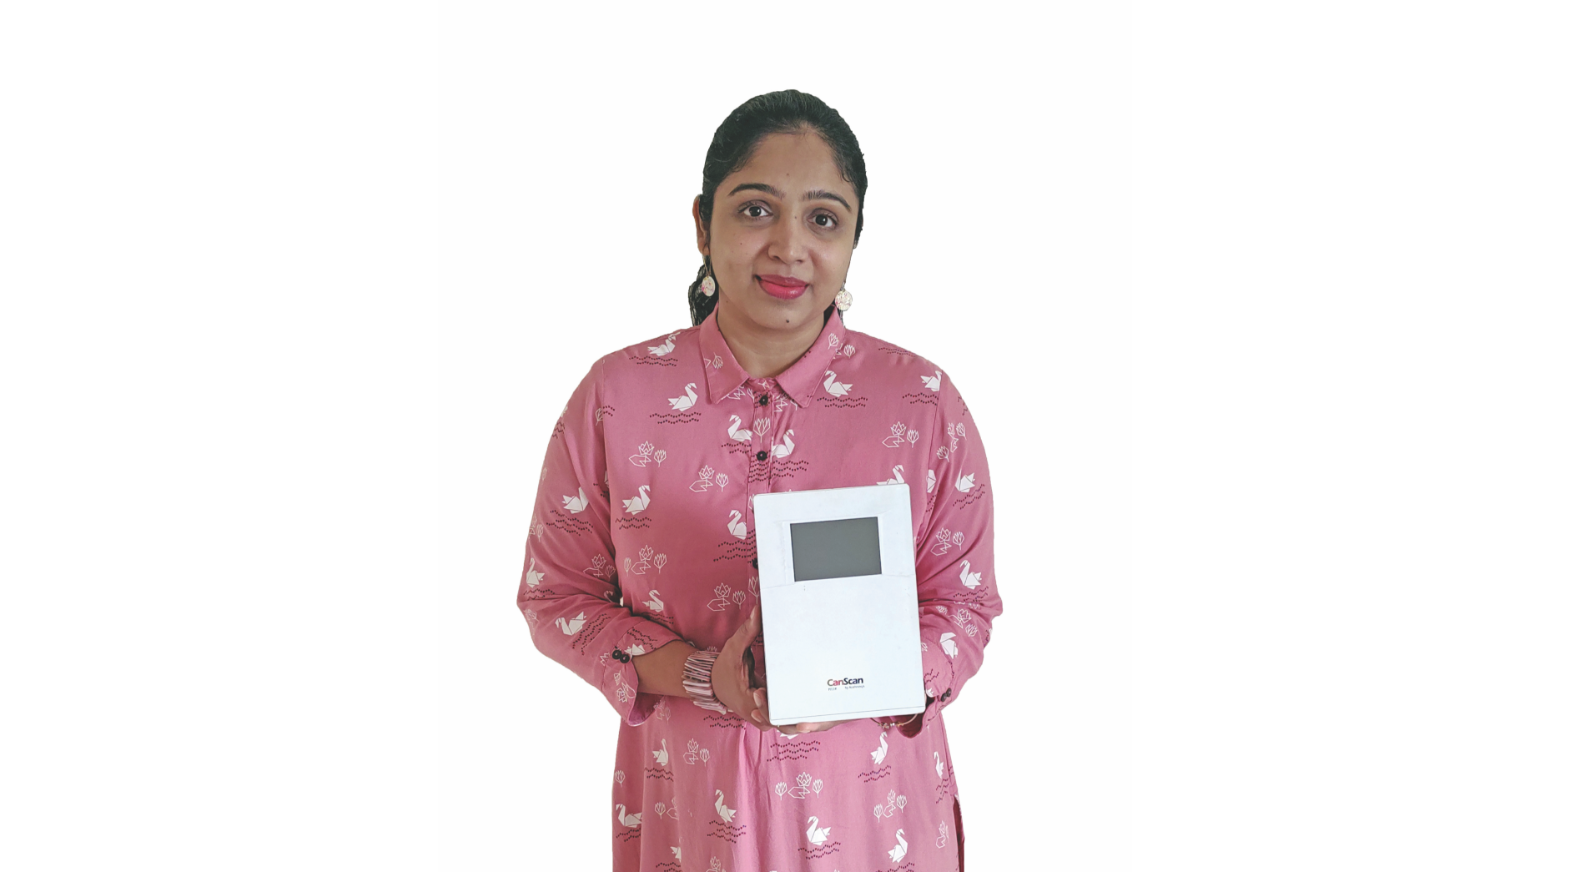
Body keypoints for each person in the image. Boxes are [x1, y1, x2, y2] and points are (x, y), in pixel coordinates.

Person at [518, 89, 1001, 872]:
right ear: (702, 224)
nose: (788, 246)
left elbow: (965, 607)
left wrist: (856, 681)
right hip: (691, 815)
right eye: (755, 211)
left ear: (853, 240)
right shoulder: (617, 398)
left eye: (823, 219)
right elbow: (556, 597)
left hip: (873, 818)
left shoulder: (921, 403)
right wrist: (701, 676)